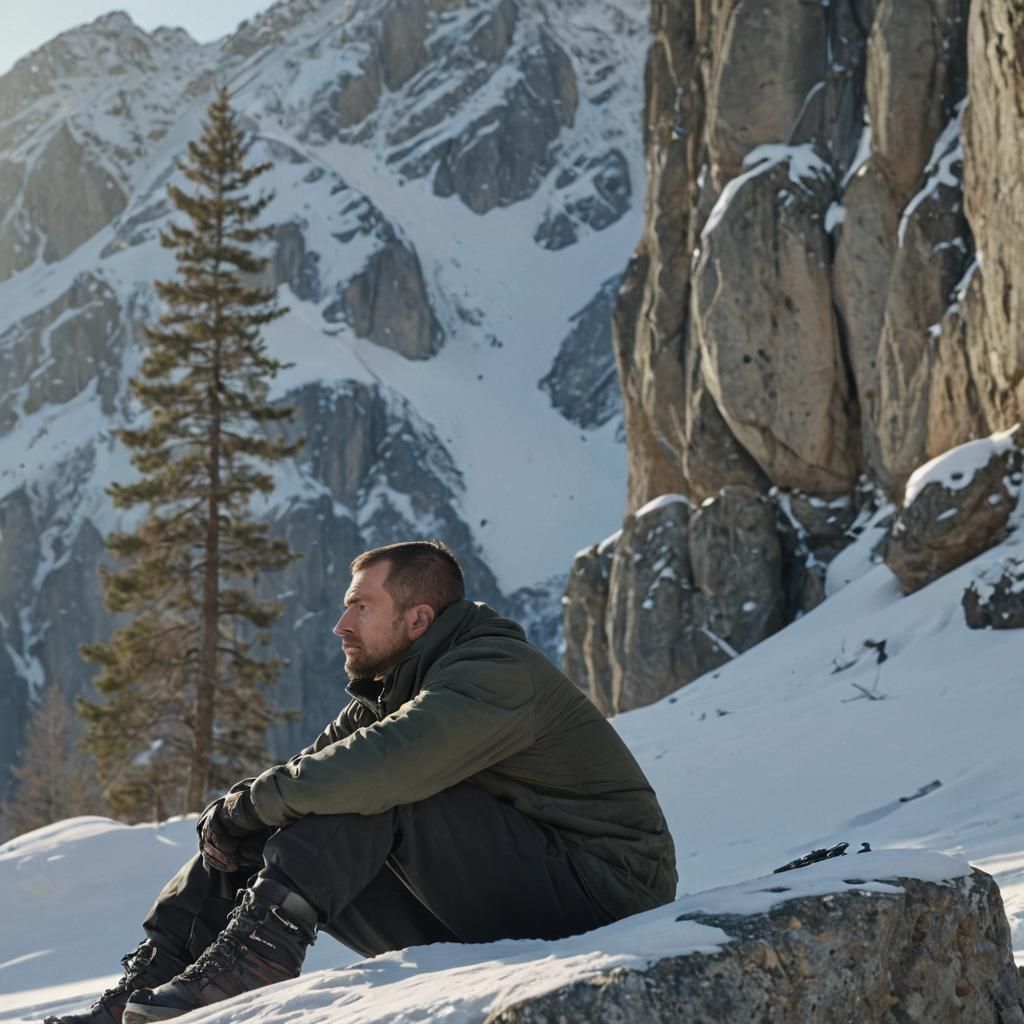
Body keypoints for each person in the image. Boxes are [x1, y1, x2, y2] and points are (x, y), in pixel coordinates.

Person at [48, 540, 677, 1024]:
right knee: (280, 810)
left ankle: (257, 960)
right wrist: (238, 815)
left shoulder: (494, 669)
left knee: (368, 785)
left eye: (361, 606)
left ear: (418, 619)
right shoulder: (391, 691)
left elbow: (380, 768)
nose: (341, 624)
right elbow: (300, 781)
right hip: (504, 900)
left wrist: (257, 803)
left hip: (603, 898)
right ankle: (149, 985)